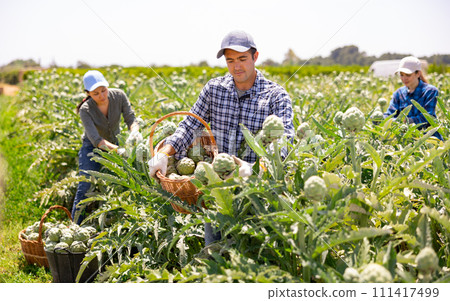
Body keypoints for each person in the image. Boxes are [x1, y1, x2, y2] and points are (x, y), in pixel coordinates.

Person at [148, 30, 295, 245]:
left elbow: (285, 139)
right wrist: (164, 153)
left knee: (252, 254)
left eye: (242, 59)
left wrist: (257, 168)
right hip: (216, 193)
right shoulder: (214, 89)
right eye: (230, 60)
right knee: (215, 254)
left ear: (255, 57)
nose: (236, 66)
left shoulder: (276, 95)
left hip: (257, 194)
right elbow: (191, 124)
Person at [72, 70, 141, 224]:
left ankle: (116, 223)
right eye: (96, 93)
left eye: (104, 90)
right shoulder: (86, 110)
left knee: (122, 184)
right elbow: (97, 140)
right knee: (85, 185)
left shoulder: (119, 96)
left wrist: (135, 132)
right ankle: (75, 225)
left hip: (115, 143)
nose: (102, 96)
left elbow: (131, 119)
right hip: (92, 148)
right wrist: (120, 151)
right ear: (88, 93)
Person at [383, 56, 443, 140]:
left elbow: (427, 118)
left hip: (429, 140)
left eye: (408, 75)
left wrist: (401, 121)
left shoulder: (430, 91)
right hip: (406, 140)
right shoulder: (398, 94)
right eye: (401, 75)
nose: (404, 79)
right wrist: (380, 118)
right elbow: (390, 114)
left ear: (418, 73)